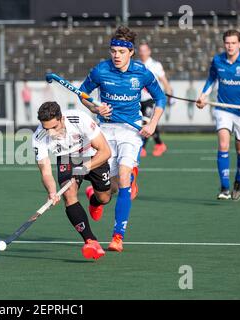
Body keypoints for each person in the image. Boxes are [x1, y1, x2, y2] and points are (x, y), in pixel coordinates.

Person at [79, 26, 166, 252]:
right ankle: (95, 198)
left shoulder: (142, 72)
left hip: (130, 131)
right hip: (105, 131)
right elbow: (83, 95)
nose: (116, 55)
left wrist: (154, 123)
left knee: (125, 178)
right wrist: (96, 108)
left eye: (121, 51)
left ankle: (118, 236)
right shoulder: (100, 70)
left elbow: (160, 98)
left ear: (131, 52)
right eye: (113, 51)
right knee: (110, 190)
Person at [32, 102, 112, 260]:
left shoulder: (79, 118)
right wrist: (52, 192)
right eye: (46, 128)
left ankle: (94, 201)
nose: (51, 133)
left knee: (104, 198)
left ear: (61, 119)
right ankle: (90, 241)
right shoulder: (39, 137)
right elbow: (46, 171)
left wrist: (84, 168)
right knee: (68, 194)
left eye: (54, 127)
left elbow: (105, 151)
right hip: (67, 158)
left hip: (93, 155)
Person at [197, 29, 240, 201]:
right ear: (224, 43)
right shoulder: (218, 60)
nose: (230, 46)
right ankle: (225, 187)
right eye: (227, 43)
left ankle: (238, 182)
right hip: (223, 109)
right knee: (223, 144)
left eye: (233, 43)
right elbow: (211, 79)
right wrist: (203, 96)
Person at [138, 41, 173, 157]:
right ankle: (159, 144)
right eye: (141, 51)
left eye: (145, 51)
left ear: (149, 51)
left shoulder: (155, 65)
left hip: (151, 99)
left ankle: (142, 147)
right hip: (138, 99)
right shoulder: (136, 65)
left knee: (146, 121)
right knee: (150, 122)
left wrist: (170, 94)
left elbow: (164, 82)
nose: (143, 53)